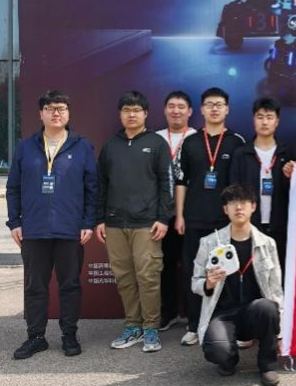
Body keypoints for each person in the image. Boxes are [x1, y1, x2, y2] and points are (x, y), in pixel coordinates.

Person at [6, 90, 98, 360]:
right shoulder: (26, 147)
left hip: (70, 230)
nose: (56, 113)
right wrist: (14, 222)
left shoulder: (82, 146)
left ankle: (69, 335)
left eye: (61, 108)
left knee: (70, 285)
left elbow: (92, 189)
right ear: (41, 114)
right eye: (50, 108)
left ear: (68, 113)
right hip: (33, 230)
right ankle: (36, 337)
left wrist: (88, 222)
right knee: (34, 286)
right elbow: (13, 187)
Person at [95, 90, 174, 353]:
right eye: (127, 110)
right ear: (120, 114)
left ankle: (151, 328)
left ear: (145, 114)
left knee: (148, 277)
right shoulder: (111, 146)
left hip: (147, 224)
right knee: (124, 277)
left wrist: (163, 218)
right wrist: (100, 219)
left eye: (136, 110)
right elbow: (101, 185)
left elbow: (167, 183)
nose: (132, 114)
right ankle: (133, 325)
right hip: (115, 223)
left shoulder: (157, 143)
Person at [174, 87, 246, 346]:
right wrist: (179, 215)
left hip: (225, 222)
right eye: (209, 104)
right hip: (194, 219)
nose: (214, 109)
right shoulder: (190, 141)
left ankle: (231, 325)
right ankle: (194, 325)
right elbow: (181, 181)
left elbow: (239, 187)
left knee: (229, 273)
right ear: (202, 110)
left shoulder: (237, 142)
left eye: (219, 104)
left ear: (227, 109)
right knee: (195, 273)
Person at [193, 184, 284, 386]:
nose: (239, 207)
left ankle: (267, 365)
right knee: (218, 352)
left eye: (244, 202)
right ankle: (229, 357)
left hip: (254, 312)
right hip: (223, 314)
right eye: (233, 203)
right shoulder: (209, 243)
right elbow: (195, 283)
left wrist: (280, 333)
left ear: (253, 206)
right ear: (225, 209)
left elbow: (276, 290)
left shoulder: (267, 243)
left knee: (268, 307)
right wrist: (208, 283)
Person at [230, 97, 291, 270]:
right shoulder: (242, 153)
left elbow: (294, 191)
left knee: (278, 272)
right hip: (249, 224)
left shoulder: (287, 153)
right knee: (249, 271)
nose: (264, 122)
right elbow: (234, 190)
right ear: (253, 120)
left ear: (277, 122)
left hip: (279, 225)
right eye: (260, 117)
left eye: (269, 117)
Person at [155, 90, 197, 332]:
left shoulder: (197, 138)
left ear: (190, 111)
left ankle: (193, 315)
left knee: (193, 265)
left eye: (181, 106)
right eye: (171, 106)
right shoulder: (155, 138)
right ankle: (169, 312)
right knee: (165, 266)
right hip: (162, 214)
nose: (176, 111)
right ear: (164, 110)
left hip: (191, 213)